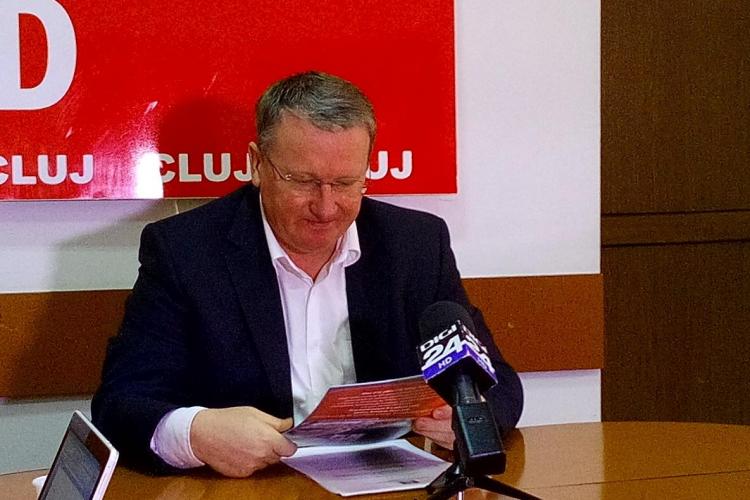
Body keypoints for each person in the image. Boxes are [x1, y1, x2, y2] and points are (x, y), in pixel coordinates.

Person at [92, 71, 523, 477]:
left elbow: (499, 384)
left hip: (386, 484)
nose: (326, 206)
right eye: (302, 181)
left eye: (346, 183)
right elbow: (121, 403)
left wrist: (467, 416)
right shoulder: (185, 251)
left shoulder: (415, 245)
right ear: (257, 164)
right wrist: (197, 433)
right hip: (251, 489)